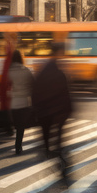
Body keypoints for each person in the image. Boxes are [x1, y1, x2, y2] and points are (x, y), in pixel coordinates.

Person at [32, 42, 73, 182]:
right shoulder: (58, 69)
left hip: (45, 112)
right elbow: (64, 92)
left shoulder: (44, 69)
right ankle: (60, 163)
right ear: (59, 52)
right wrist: (68, 109)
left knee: (48, 140)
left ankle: (52, 155)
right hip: (57, 111)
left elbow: (35, 91)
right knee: (58, 141)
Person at [8, 50, 34, 155]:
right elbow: (33, 84)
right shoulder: (26, 70)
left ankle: (16, 143)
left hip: (13, 102)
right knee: (21, 127)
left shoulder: (9, 71)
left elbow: (6, 85)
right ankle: (18, 146)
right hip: (24, 102)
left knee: (16, 124)